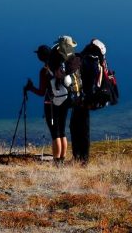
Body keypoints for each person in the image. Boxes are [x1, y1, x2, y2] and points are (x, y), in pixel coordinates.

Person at [25, 36, 76, 165]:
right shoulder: (61, 67)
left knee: (55, 133)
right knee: (62, 131)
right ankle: (62, 160)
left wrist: (30, 88)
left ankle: (56, 162)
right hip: (65, 101)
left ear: (41, 57)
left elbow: (42, 92)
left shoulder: (44, 71)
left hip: (51, 104)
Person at [72, 38, 108, 164]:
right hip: (87, 100)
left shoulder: (89, 61)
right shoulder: (96, 62)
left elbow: (87, 82)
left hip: (83, 100)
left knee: (78, 128)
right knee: (82, 128)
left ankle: (81, 158)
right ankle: (82, 158)